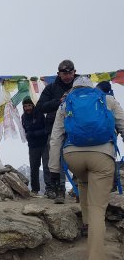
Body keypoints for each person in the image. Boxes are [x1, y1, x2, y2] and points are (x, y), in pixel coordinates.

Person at [49, 76, 124, 260]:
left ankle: (86, 224)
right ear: (92, 88)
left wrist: (53, 169)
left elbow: (56, 137)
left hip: (73, 156)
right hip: (101, 155)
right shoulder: (107, 99)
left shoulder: (65, 104)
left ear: (74, 89)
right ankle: (96, 256)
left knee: (83, 181)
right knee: (98, 208)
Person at [36, 59, 78, 203]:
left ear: (74, 72)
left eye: (70, 72)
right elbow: (40, 106)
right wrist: (58, 102)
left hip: (77, 127)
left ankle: (79, 187)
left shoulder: (81, 87)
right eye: (63, 73)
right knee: (56, 158)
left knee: (79, 156)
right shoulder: (51, 88)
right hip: (55, 127)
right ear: (58, 74)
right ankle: (59, 189)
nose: (67, 76)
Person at [21, 96, 47, 195]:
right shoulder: (23, 117)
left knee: (47, 166)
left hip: (44, 144)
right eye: (25, 106)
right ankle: (35, 190)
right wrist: (29, 136)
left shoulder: (40, 114)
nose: (27, 108)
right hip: (32, 146)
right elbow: (26, 130)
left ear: (33, 105)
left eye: (29, 105)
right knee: (34, 167)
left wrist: (35, 134)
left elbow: (46, 129)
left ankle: (49, 189)